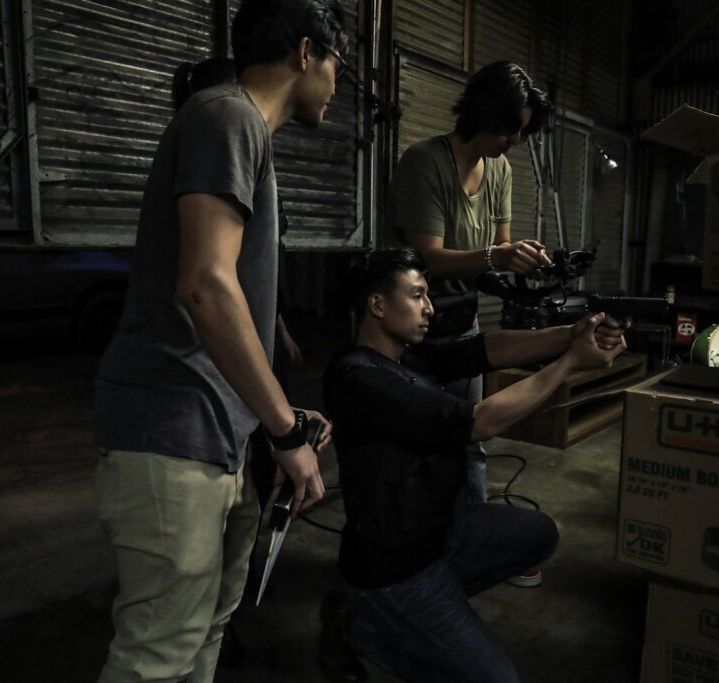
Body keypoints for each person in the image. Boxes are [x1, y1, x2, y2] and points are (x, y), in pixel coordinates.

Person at [92, 2, 349, 681]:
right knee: (156, 655)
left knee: (207, 631)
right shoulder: (227, 117)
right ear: (305, 52)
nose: (337, 85)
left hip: (220, 432)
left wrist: (275, 413)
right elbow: (206, 285)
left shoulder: (243, 130)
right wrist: (285, 430)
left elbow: (231, 298)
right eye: (338, 67)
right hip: (173, 429)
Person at [322, 248, 627, 682]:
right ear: (378, 305)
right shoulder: (358, 378)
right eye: (417, 295)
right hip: (393, 567)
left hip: (439, 531)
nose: (429, 307)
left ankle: (422, 615)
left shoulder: (406, 355)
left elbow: (483, 350)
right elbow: (479, 422)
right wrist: (570, 363)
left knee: (539, 533)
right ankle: (361, 625)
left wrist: (569, 334)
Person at [385, 64, 555, 587]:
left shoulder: (499, 171)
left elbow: (493, 255)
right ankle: (401, 556)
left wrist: (522, 265)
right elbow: (430, 259)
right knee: (408, 446)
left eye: (522, 131)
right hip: (408, 329)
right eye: (511, 129)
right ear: (484, 115)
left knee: (469, 441)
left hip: (461, 321)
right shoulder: (424, 163)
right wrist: (498, 256)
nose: (516, 141)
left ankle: (475, 545)